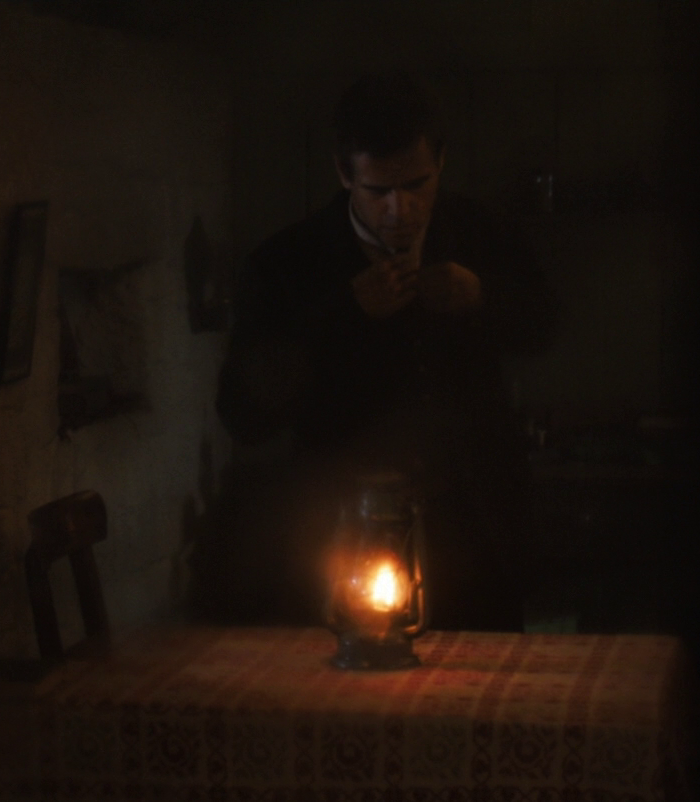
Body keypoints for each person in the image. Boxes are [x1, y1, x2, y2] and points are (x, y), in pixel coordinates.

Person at [208, 71, 555, 630]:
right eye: (378, 192)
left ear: (441, 160)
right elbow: (243, 416)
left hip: (476, 544)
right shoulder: (286, 264)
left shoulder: (483, 234)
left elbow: (546, 331)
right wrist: (339, 319)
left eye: (417, 185)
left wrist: (482, 299)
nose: (401, 209)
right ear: (344, 173)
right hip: (339, 549)